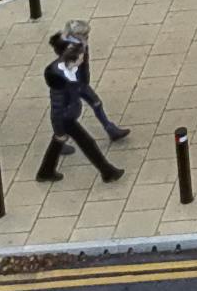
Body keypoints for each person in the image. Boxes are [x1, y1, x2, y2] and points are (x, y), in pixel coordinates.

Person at [34, 23, 128, 183]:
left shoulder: (69, 72)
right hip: (65, 118)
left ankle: (46, 171)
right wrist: (59, 126)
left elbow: (83, 80)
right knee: (87, 143)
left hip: (67, 115)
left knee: (58, 141)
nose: (83, 58)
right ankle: (107, 171)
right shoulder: (60, 78)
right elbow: (57, 106)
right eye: (81, 58)